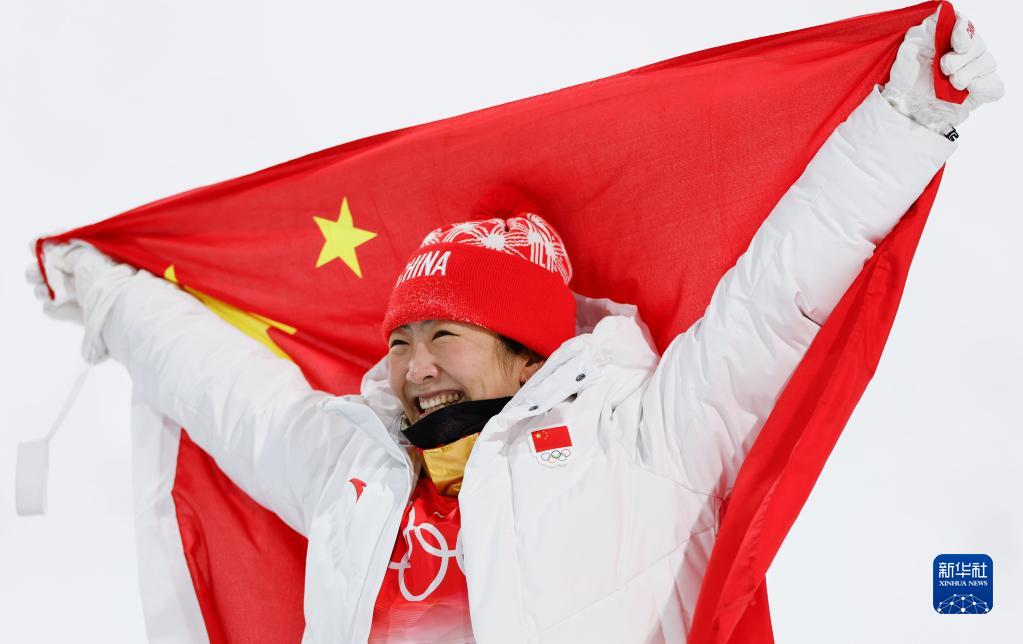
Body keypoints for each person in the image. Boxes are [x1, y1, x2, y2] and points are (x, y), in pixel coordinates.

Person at [26, 10, 1003, 644]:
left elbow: (775, 297)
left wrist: (908, 117)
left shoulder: (642, 439)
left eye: (444, 336)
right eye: (399, 341)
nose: (414, 366)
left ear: (527, 353)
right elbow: (221, 388)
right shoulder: (352, 466)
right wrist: (105, 290)